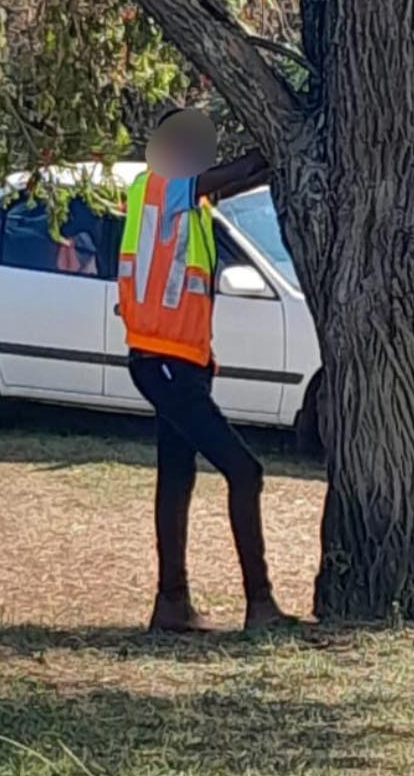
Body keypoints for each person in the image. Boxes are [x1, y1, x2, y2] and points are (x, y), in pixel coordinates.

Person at [118, 106, 295, 632]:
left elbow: (236, 182)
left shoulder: (177, 201)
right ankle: (259, 604)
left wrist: (273, 164)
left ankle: (171, 603)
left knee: (177, 475)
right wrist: (284, 143)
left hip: (176, 362)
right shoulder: (162, 187)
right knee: (245, 471)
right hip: (165, 360)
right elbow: (235, 174)